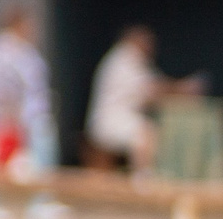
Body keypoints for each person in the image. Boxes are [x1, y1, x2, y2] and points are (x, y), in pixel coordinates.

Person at [84, 24, 200, 172]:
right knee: (145, 133)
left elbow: (151, 90)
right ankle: (143, 183)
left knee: (149, 130)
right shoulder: (124, 57)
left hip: (120, 118)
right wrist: (183, 88)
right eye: (147, 42)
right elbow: (152, 88)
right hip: (107, 121)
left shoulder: (132, 59)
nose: (151, 47)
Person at [0, 8, 55, 176]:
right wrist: (11, 116)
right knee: (3, 162)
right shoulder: (4, 53)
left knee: (36, 165)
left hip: (31, 116)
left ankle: (41, 198)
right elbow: (5, 90)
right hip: (18, 119)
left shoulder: (25, 51)